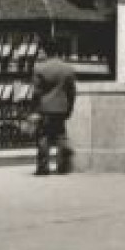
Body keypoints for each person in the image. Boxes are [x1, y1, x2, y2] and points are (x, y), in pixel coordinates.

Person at [31, 44, 78, 176]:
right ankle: (62, 167)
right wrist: (69, 108)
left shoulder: (39, 68)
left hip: (45, 108)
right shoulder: (68, 68)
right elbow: (72, 92)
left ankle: (43, 168)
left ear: (46, 52)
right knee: (61, 136)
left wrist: (35, 108)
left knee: (43, 137)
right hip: (61, 109)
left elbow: (36, 92)